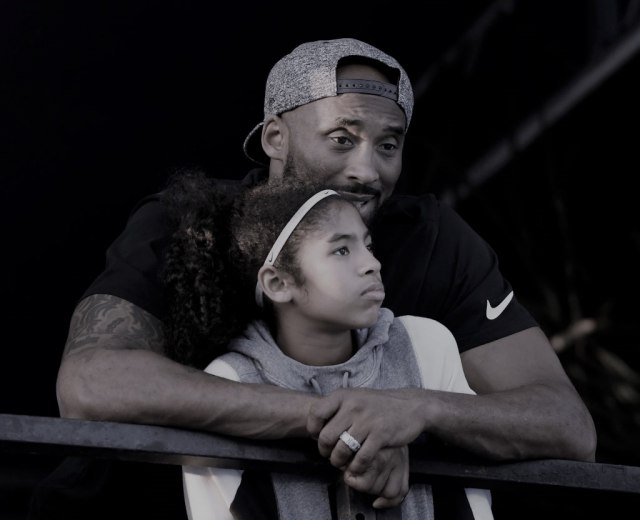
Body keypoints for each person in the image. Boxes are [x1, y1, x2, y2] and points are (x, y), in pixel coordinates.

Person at [54, 37, 596, 510]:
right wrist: (344, 421)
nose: (367, 170)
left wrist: (416, 408)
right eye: (342, 137)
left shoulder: (433, 239)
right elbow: (92, 383)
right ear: (275, 138)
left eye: (388, 145)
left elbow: (567, 427)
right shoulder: (188, 223)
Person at [171, 174, 493, 519]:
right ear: (278, 283)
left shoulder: (424, 344)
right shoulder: (231, 378)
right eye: (341, 250)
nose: (372, 264)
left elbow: (474, 497)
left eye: (368, 246)